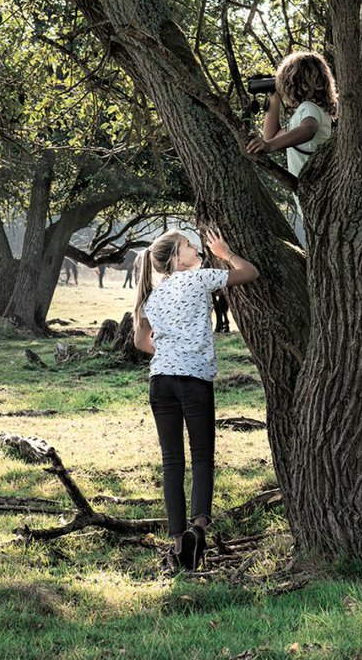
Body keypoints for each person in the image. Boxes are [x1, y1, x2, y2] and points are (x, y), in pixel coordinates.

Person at [132, 228, 259, 572]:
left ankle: (178, 546)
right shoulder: (199, 278)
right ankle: (198, 530)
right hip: (193, 381)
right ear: (177, 259)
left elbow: (141, 342)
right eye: (189, 245)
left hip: (161, 382)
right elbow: (249, 273)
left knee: (172, 462)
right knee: (202, 457)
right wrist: (225, 253)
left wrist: (170, 354)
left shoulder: (152, 297)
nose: (196, 247)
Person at [246, 50, 338, 243]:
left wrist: (269, 146)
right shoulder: (312, 111)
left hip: (317, 196)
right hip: (316, 197)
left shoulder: (308, 109)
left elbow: (308, 129)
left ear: (299, 85)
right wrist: (274, 98)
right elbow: (270, 135)